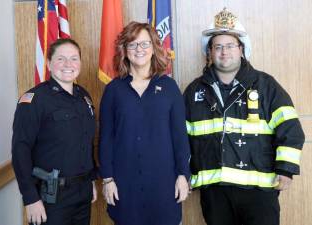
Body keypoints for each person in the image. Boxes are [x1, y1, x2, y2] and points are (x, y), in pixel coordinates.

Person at [184, 8, 305, 225]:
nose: (224, 52)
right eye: (218, 47)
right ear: (209, 52)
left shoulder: (266, 85)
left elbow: (291, 128)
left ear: (241, 49)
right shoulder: (194, 91)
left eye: (230, 46)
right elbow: (180, 137)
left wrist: (286, 169)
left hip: (259, 191)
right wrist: (184, 173)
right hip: (215, 190)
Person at [98, 21, 190, 225]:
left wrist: (183, 175)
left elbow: (179, 136)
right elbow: (106, 138)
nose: (139, 49)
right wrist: (108, 179)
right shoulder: (113, 90)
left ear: (154, 47)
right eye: (132, 44)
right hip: (125, 187)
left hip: (164, 185)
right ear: (125, 50)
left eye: (144, 44)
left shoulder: (169, 87)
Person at [12, 38, 97, 225]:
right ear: (49, 63)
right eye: (61, 59)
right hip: (51, 197)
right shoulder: (34, 100)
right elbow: (20, 149)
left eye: (74, 58)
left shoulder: (84, 96)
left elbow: (86, 141)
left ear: (80, 63)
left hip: (83, 192)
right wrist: (30, 198)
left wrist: (90, 180)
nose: (68, 64)